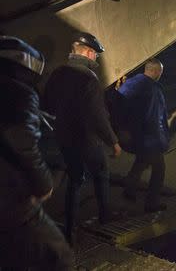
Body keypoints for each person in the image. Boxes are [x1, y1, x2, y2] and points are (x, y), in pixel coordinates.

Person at [0, 36, 74, 269]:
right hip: (11, 198)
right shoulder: (18, 92)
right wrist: (43, 183)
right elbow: (21, 141)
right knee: (59, 257)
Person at [44, 32, 121, 245]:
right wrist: (113, 141)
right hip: (87, 140)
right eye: (95, 55)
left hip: (63, 139)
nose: (96, 59)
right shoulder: (89, 78)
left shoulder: (58, 73)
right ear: (88, 53)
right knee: (102, 173)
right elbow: (98, 116)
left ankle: (69, 230)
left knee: (75, 181)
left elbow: (46, 105)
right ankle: (105, 215)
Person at [118, 59, 169, 213]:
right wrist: (162, 140)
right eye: (160, 71)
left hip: (133, 134)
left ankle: (129, 190)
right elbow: (155, 117)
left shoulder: (129, 83)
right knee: (159, 169)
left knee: (141, 161)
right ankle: (151, 203)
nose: (161, 74)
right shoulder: (152, 90)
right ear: (154, 71)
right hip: (149, 137)